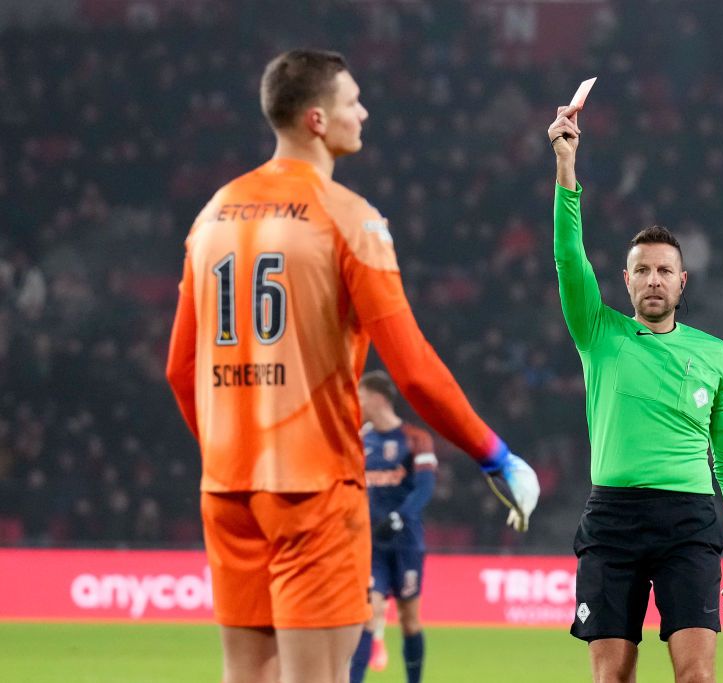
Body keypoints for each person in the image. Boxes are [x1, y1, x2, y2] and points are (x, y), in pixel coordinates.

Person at [166, 49, 539, 683]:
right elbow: (413, 369)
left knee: (245, 675)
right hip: (313, 491)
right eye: (351, 101)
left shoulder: (213, 214)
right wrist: (494, 454)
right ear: (316, 119)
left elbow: (181, 369)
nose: (363, 112)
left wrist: (232, 455)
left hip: (228, 489)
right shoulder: (350, 218)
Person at [548, 104, 723, 683]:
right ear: (625, 280)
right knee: (611, 677)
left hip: (687, 522)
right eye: (641, 270)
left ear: (682, 282)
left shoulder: (716, 353)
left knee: (695, 677)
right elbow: (569, 257)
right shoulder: (599, 333)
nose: (652, 279)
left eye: (664, 271)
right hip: (612, 519)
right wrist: (567, 166)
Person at [350, 371, 436, 683]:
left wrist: (399, 517)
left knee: (409, 620)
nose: (357, 403)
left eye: (360, 396)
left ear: (378, 398)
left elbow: (424, 488)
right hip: (371, 544)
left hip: (407, 542)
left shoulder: (416, 438)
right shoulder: (360, 440)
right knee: (368, 617)